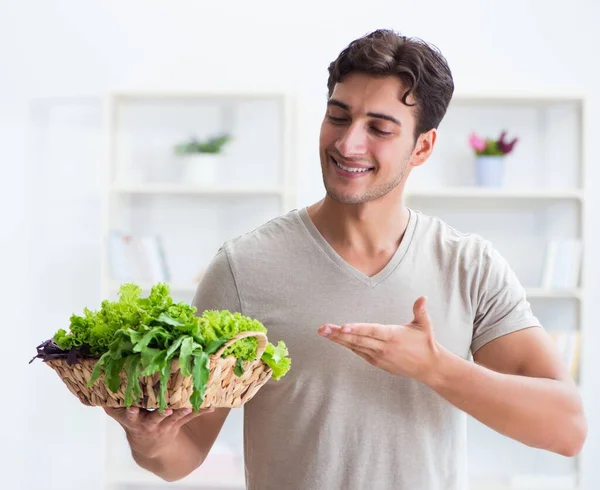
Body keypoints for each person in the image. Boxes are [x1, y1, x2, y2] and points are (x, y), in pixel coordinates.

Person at [104, 29, 587, 490]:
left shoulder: (470, 268)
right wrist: (151, 439)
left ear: (422, 147)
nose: (347, 143)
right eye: (338, 116)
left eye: (378, 127)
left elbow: (566, 428)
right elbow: (183, 453)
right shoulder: (242, 268)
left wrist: (435, 368)